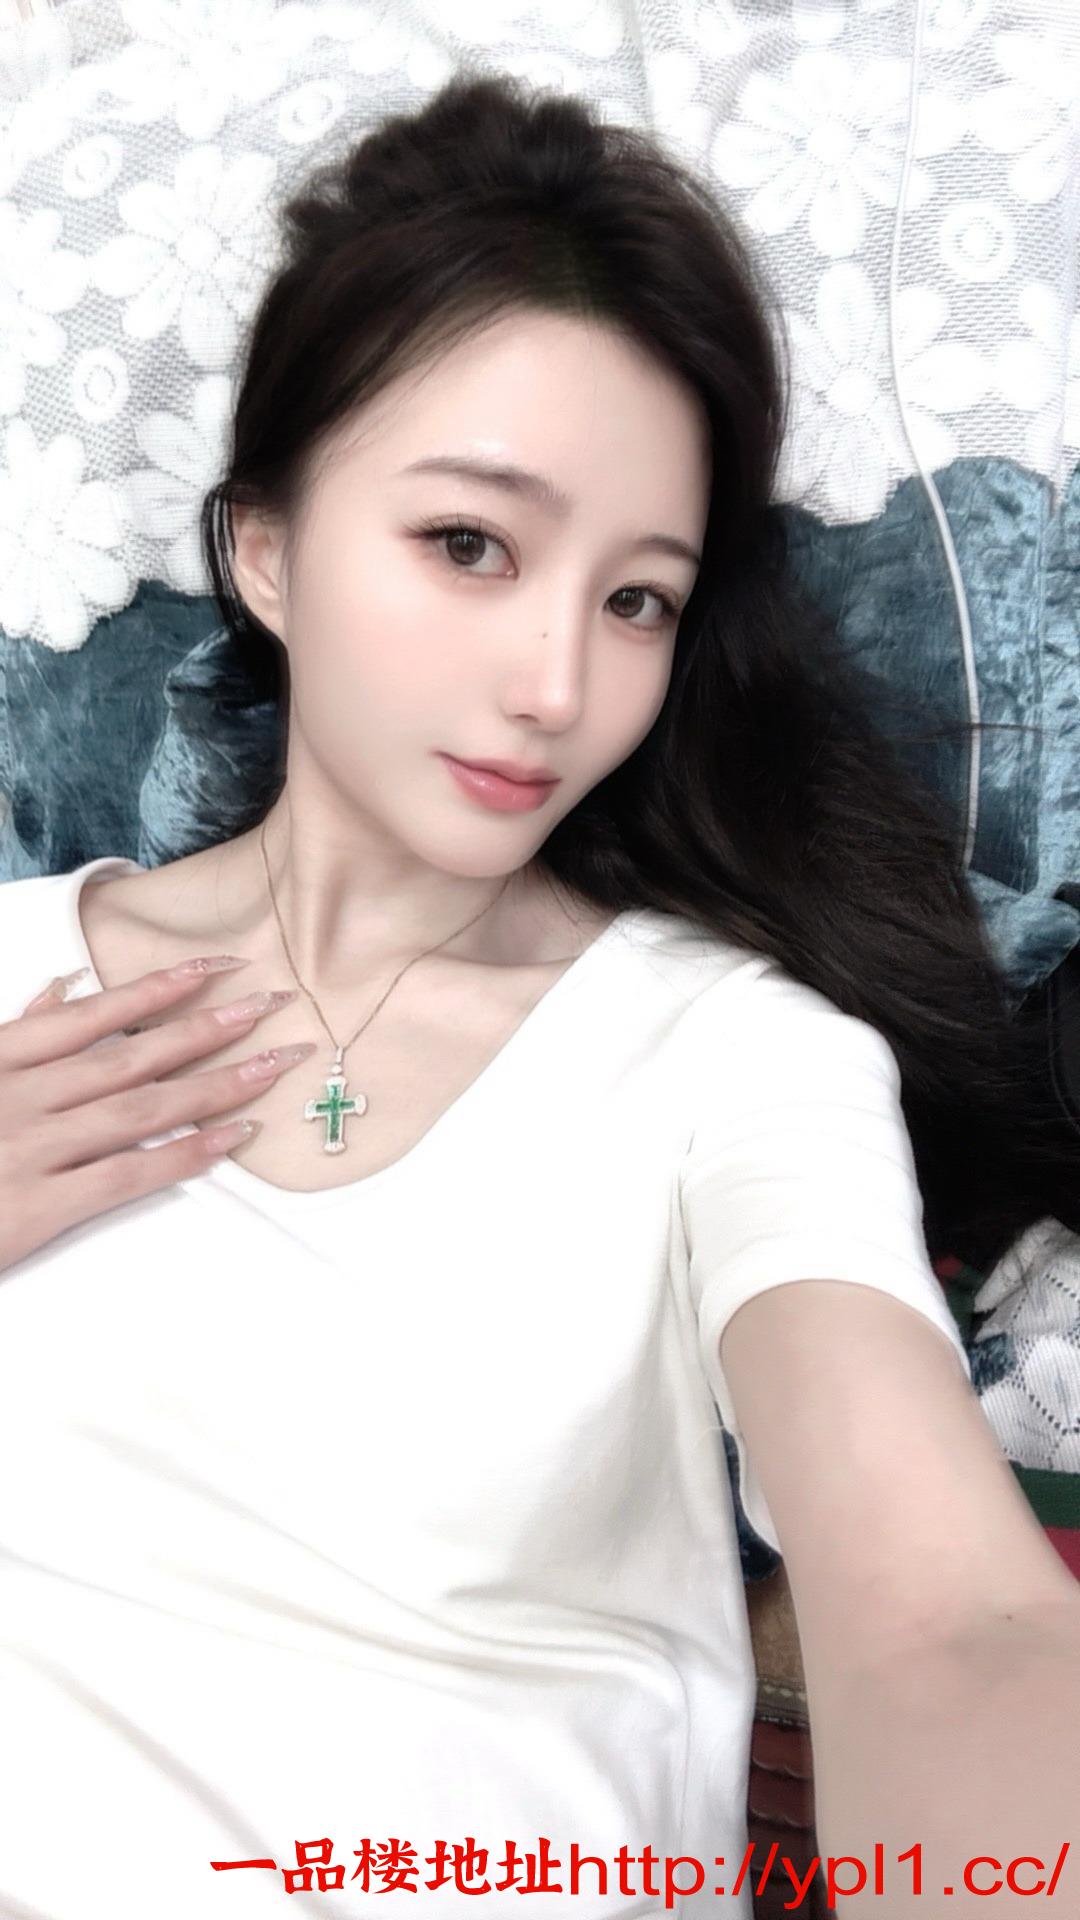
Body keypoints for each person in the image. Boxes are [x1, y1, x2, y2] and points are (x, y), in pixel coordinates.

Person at [1, 68, 1078, 1920]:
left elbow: (944, 1615)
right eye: (470, 545)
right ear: (265, 547)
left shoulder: (733, 1056)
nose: (559, 687)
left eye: (638, 598)